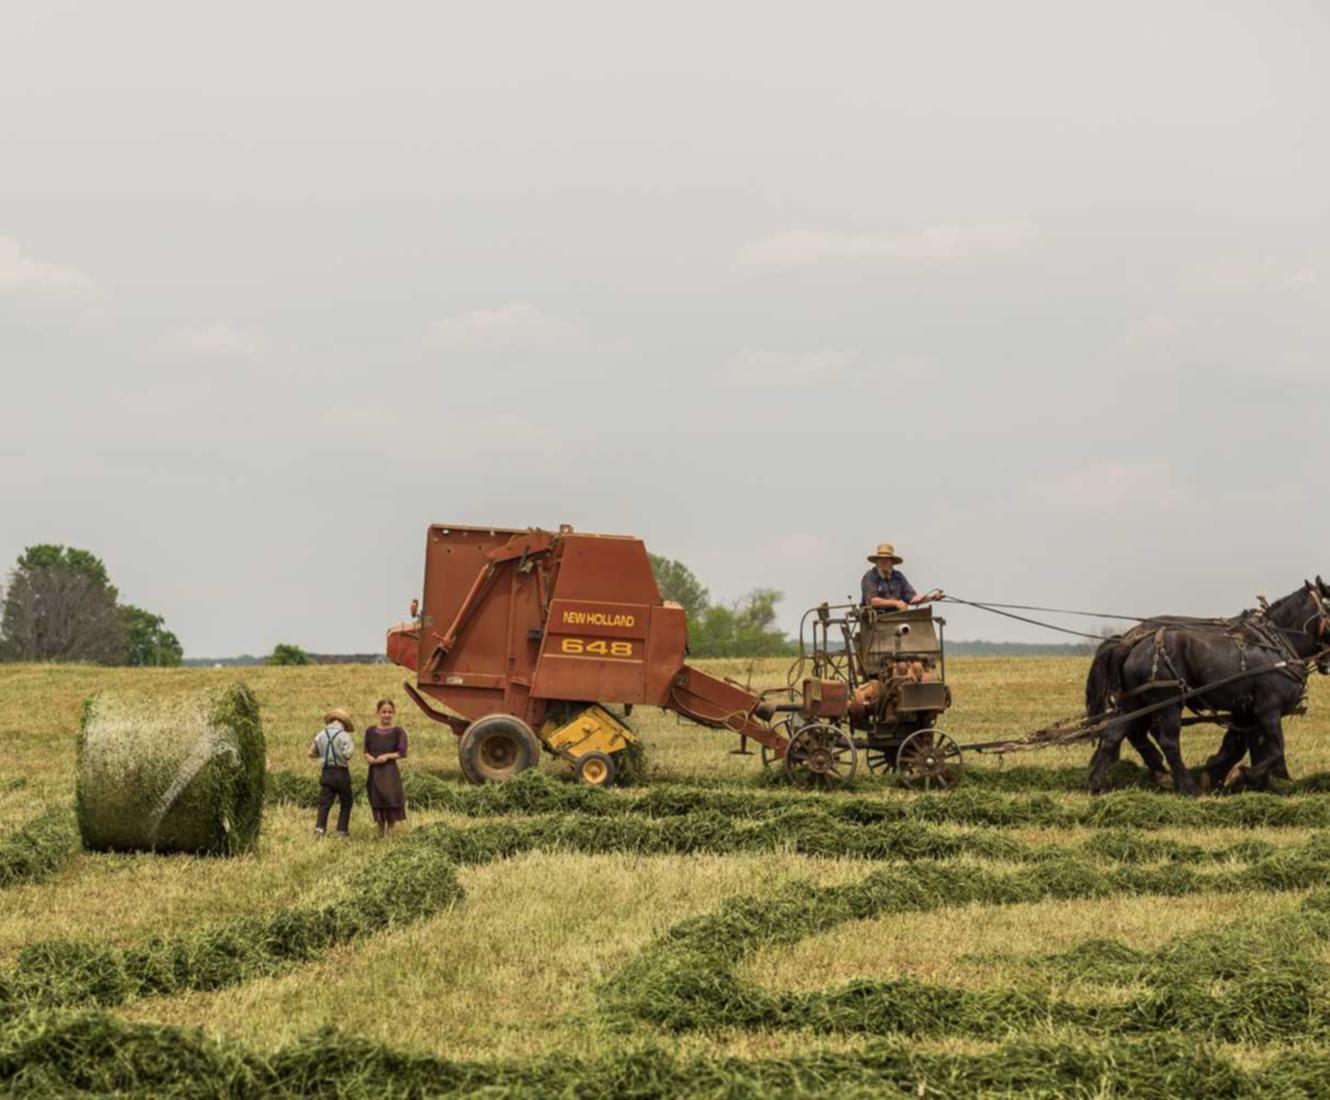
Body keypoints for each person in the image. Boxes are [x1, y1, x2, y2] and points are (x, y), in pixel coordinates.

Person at [364, 698, 408, 836]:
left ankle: (390, 831)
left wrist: (387, 756)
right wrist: (368, 758)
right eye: (384, 712)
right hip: (375, 772)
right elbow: (366, 750)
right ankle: (380, 830)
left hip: (390, 772)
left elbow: (402, 752)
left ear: (394, 713)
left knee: (391, 798)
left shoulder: (398, 732)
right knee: (377, 799)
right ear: (378, 713)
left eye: (389, 712)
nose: (387, 715)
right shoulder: (370, 731)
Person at [310, 708, 356, 840]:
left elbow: (311, 752)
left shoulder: (320, 734)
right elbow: (348, 754)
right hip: (341, 772)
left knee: (324, 802)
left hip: (326, 772)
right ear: (343, 723)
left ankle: (320, 829)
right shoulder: (344, 736)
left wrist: (323, 755)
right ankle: (341, 831)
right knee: (346, 801)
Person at [860, 543, 943, 610]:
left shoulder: (898, 577)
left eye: (887, 559)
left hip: (898, 618)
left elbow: (912, 598)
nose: (883, 561)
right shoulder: (870, 576)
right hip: (875, 621)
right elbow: (872, 601)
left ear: (892, 562)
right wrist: (896, 603)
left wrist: (931, 598)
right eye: (881, 559)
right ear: (876, 562)